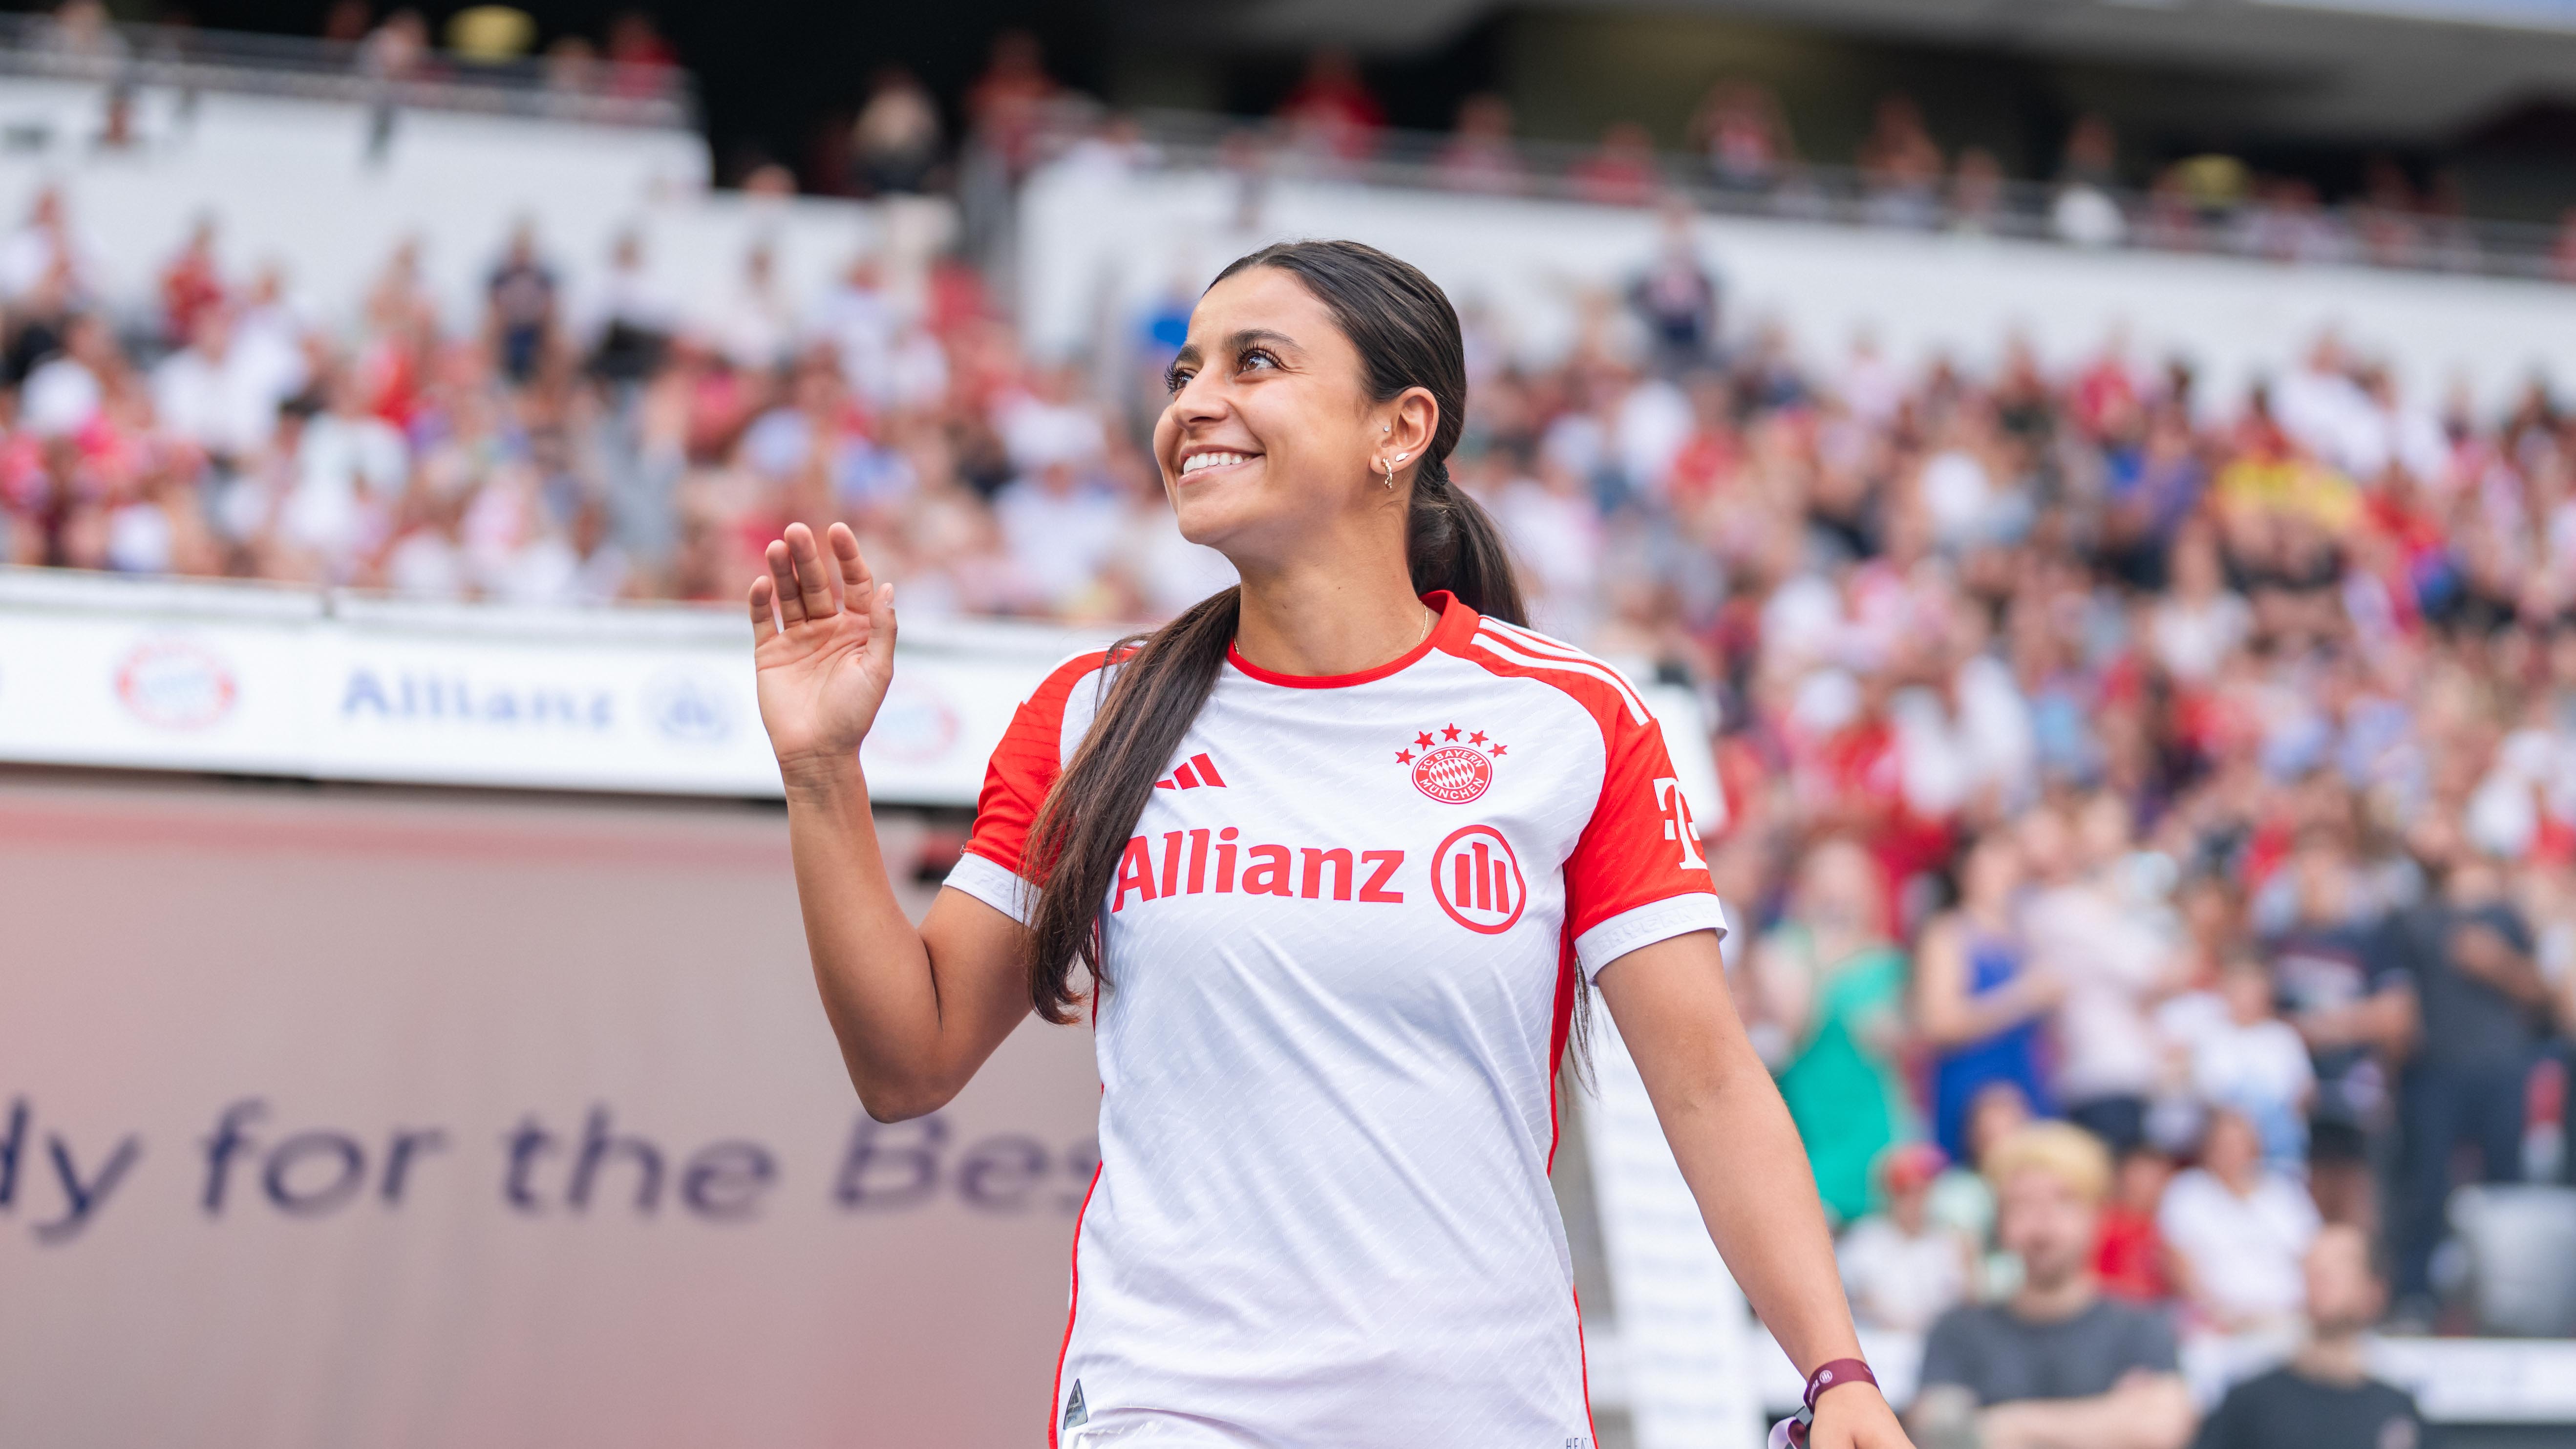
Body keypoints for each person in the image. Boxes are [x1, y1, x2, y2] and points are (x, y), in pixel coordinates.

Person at [744, 240, 1912, 1449]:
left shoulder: (1572, 719)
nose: (1196, 402)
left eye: (1256, 363)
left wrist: (1837, 1373)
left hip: (1488, 1415)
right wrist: (822, 769)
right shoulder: (1091, 716)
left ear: (1399, 428)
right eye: (1183, 370)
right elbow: (909, 1059)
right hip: (1171, 1407)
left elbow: (1709, 1079)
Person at [1911, 1123, 2194, 1449]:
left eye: (2063, 1200)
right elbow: (1941, 1437)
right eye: (2022, 1204)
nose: (2042, 1221)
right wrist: (2114, 1418)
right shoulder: (1957, 1329)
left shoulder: (2141, 1323)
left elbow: (2163, 1428)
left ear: (2097, 1216)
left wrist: (2010, 1425)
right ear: (2000, 1223)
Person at [2391, 832, 2549, 1310]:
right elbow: (2400, 1002)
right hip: (2435, 1071)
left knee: (2505, 1185)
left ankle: (2519, 1298)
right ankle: (2413, 1296)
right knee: (2427, 1184)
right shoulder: (2413, 919)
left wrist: (2495, 961)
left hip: (2500, 1068)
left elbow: (2540, 993)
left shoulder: (2504, 917)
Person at [1756, 836, 1917, 1223]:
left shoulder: (1887, 958)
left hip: (1876, 1122)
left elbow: (1904, 1051)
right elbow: (1793, 1027)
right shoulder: (1782, 949)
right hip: (1813, 1121)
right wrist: (1824, 956)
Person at [2191, 1225, 2431, 1449]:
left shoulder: (2398, 1410)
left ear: (2375, 1290)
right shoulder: (2250, 1403)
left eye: (2342, 1264)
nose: (2323, 1274)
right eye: (2314, 1264)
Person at [1917, 831, 2058, 1164]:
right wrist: (2023, 997)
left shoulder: (2023, 935)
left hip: (2023, 1082)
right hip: (1973, 1086)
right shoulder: (1948, 932)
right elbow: (1939, 1022)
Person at [2157, 1105, 2321, 1333]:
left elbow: (2314, 1255)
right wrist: (2223, 1316)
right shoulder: (2187, 1191)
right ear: (2207, 1148)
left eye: (2239, 1144)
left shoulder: (2284, 1193)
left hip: (2291, 1320)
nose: (2231, 1152)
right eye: (2223, 1144)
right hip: (2219, 1325)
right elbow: (2178, 1265)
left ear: (2255, 1147)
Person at [1840, 1143, 1979, 1332]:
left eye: (1923, 1190)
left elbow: (1969, 1305)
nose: (1916, 1201)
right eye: (1906, 1191)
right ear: (1889, 1193)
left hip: (1942, 1347)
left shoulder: (1952, 1242)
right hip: (1881, 1345)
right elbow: (1862, 1304)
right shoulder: (1865, 1239)